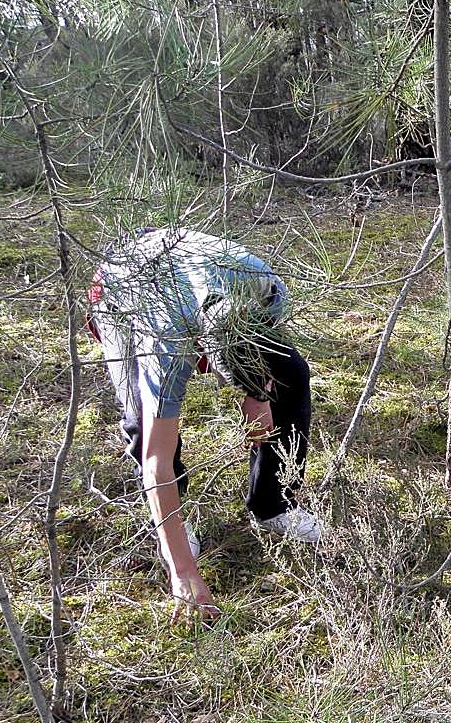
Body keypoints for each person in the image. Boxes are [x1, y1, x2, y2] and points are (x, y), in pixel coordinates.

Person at [87, 227, 323, 621]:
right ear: (201, 354)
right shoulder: (165, 344)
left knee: (292, 374)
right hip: (125, 290)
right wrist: (184, 574)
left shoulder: (265, 289)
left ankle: (273, 505)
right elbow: (155, 460)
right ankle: (170, 532)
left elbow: (262, 350)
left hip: (199, 277)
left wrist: (259, 394)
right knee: (145, 422)